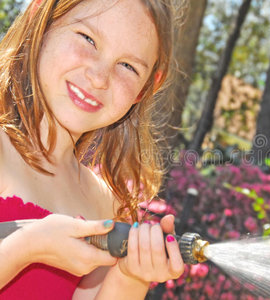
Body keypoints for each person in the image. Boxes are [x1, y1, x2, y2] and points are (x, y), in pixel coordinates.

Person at [0, 0, 185, 298]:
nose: (99, 78)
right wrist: (28, 246)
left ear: (146, 88)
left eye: (127, 66)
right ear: (40, 18)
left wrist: (131, 275)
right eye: (88, 39)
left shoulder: (106, 205)